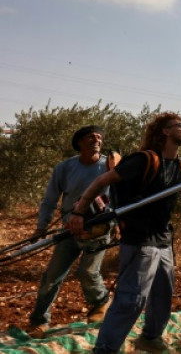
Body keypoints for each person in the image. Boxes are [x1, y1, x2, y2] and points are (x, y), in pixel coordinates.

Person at [68, 113, 181, 354]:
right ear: (166, 132)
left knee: (162, 295)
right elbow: (102, 181)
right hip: (140, 239)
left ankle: (150, 337)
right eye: (180, 126)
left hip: (164, 239)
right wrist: (79, 211)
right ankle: (105, 348)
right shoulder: (144, 160)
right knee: (132, 299)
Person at [25, 125, 119, 339]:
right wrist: (41, 227)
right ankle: (39, 322)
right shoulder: (64, 168)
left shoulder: (111, 167)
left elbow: (121, 198)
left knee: (87, 272)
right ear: (79, 143)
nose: (96, 140)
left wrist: (116, 224)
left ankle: (101, 303)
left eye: (99, 137)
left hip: (98, 230)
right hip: (69, 229)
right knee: (52, 276)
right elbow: (49, 199)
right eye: (90, 137)